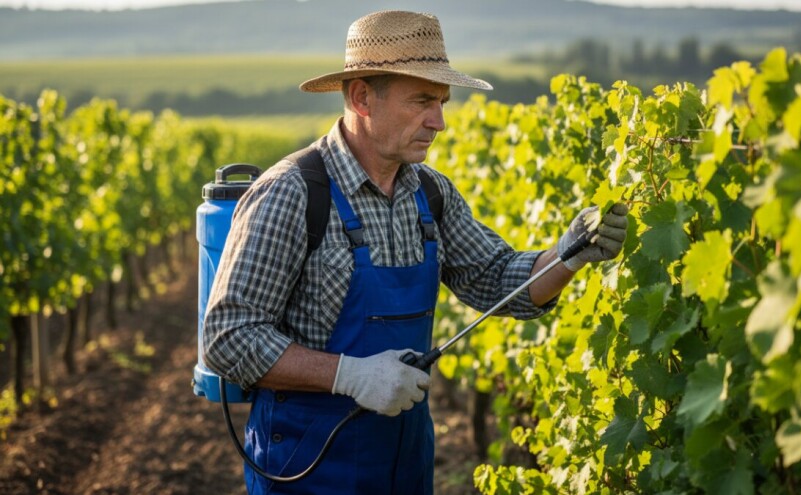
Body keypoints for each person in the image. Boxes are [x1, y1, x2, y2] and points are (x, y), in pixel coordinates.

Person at [203, 10, 628, 495]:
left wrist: (567, 255)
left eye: (442, 102)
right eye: (423, 101)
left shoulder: (430, 193)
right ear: (362, 96)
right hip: (306, 469)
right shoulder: (292, 193)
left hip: (403, 466)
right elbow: (227, 338)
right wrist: (350, 375)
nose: (440, 122)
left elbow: (500, 280)